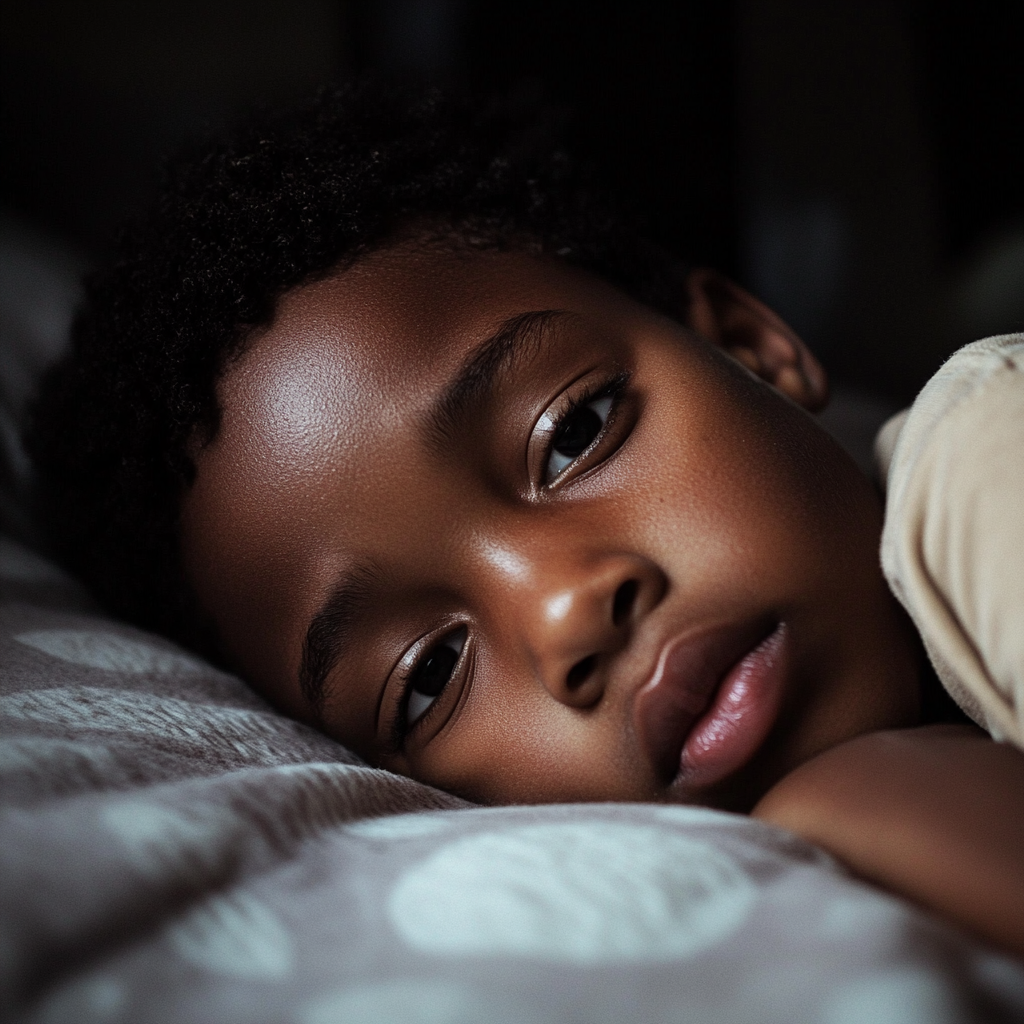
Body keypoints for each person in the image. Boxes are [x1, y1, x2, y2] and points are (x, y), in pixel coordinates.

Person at [26, 84, 1024, 957]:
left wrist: (867, 795)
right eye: (426, 677)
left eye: (573, 433)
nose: (565, 612)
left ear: (749, 345)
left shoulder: (983, 455)